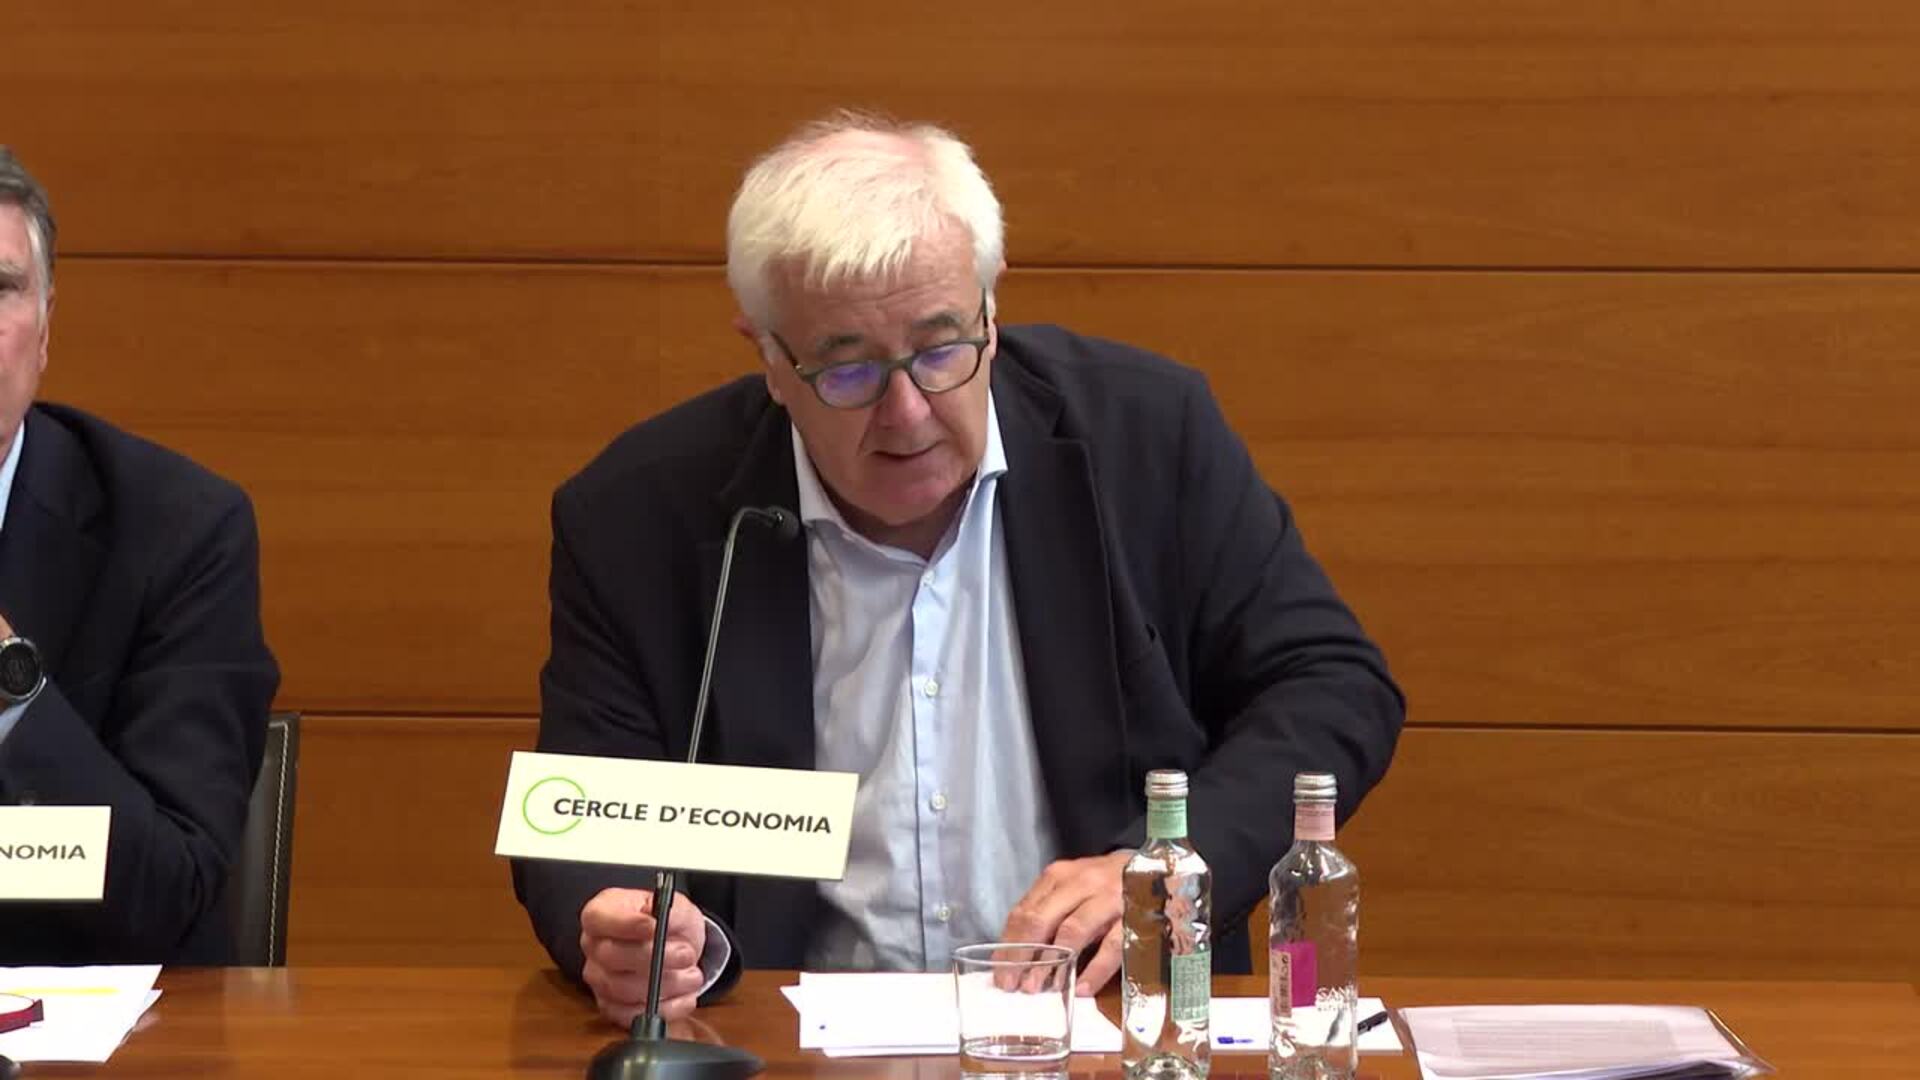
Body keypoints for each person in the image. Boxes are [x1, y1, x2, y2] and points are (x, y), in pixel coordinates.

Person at [514, 112, 1404, 1026]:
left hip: (1109, 1021)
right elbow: (584, 808)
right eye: (847, 370)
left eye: (941, 350)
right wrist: (620, 925)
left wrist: (1171, 865)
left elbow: (1331, 686)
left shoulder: (1145, 435)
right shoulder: (641, 514)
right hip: (779, 1035)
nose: (907, 413)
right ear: (770, 358)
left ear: (990, 308)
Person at [0, 147, 279, 963]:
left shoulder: (177, 532)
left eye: (0, 288)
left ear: (45, 328)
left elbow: (167, 891)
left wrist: (10, 685)